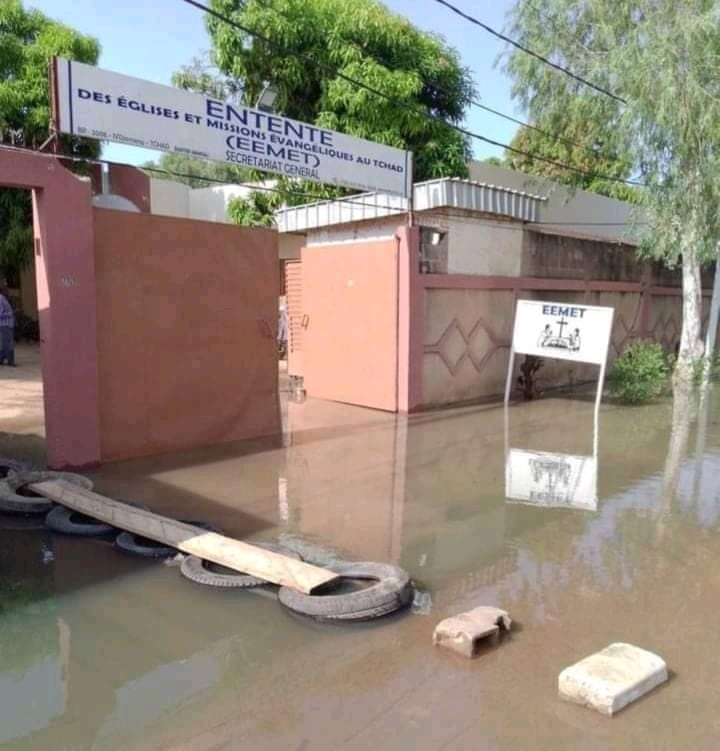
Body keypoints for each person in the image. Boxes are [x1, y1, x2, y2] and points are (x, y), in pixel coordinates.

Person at [0, 283, 16, 366]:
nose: (8, 291)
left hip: (7, 324)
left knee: (5, 343)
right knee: (7, 343)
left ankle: (2, 359)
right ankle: (10, 360)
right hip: (4, 324)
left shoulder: (4, 299)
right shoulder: (1, 299)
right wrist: (10, 314)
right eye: (6, 290)